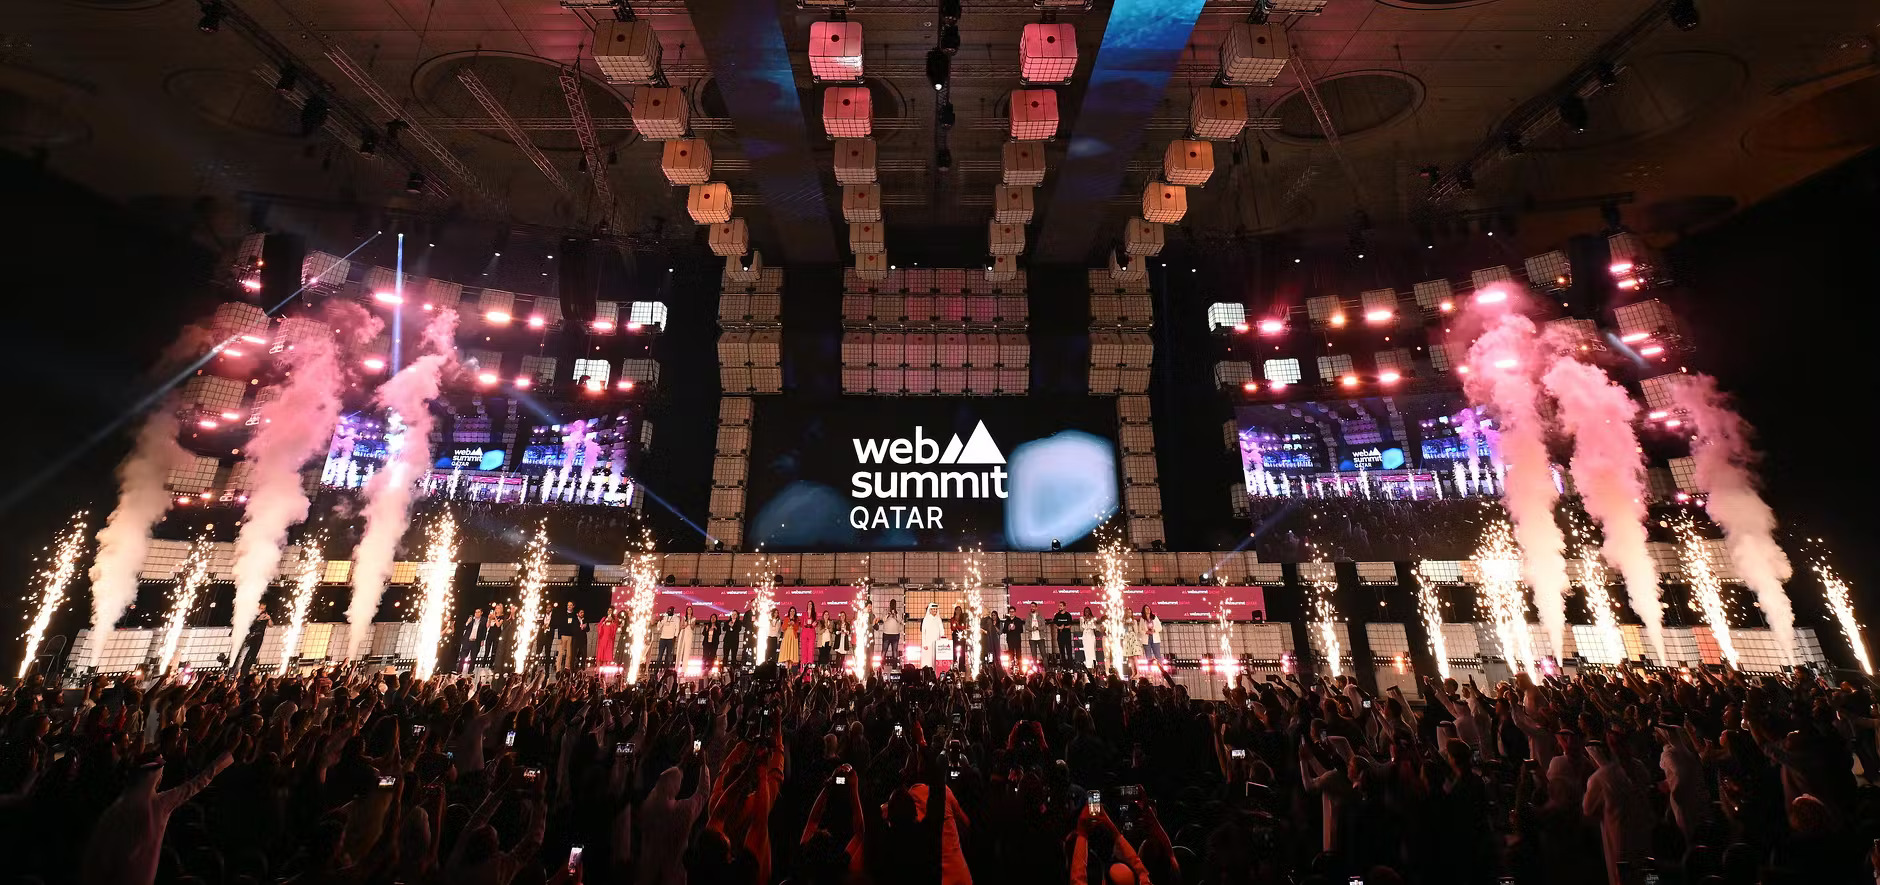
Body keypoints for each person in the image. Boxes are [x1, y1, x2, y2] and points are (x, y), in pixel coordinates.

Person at [232, 604, 269, 675]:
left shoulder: (265, 616)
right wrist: (258, 619)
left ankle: (245, 672)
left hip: (258, 639)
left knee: (252, 656)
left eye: (263, 609)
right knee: (242, 656)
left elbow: (271, 625)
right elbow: (248, 624)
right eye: (261, 608)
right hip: (249, 638)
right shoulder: (253, 614)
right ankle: (235, 672)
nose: (262, 610)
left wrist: (269, 618)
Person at [553, 601, 581, 671]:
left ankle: (567, 667)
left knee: (569, 653)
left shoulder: (574, 615)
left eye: (570, 605)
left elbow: (576, 625)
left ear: (573, 606)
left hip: (570, 636)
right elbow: (560, 625)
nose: (569, 606)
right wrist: (559, 636)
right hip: (563, 635)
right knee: (560, 653)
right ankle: (558, 668)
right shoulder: (563, 614)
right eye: (568, 605)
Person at [460, 607, 489, 673]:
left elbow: (484, 631)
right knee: (463, 656)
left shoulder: (484, 620)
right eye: (476, 612)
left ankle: (470, 671)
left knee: (473, 657)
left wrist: (482, 640)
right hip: (468, 640)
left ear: (481, 613)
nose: (476, 614)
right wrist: (468, 622)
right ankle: (459, 670)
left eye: (478, 612)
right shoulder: (471, 619)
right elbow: (465, 627)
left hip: (476, 641)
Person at [877, 600, 903, 665]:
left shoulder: (898, 612)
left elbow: (900, 620)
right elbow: (883, 619)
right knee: (884, 650)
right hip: (886, 634)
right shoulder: (886, 611)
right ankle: (881, 665)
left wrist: (895, 615)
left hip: (895, 634)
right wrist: (888, 615)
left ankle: (894, 666)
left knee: (894, 650)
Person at [920, 603, 944, 669]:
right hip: (928, 643)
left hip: (937, 643)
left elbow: (942, 631)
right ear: (930, 610)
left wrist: (942, 640)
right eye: (933, 609)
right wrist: (924, 643)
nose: (935, 611)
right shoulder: (926, 620)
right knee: (928, 660)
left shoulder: (939, 619)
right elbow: (923, 633)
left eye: (936, 609)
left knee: (935, 659)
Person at [1052, 601, 1074, 666]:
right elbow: (1055, 624)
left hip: (1067, 635)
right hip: (1060, 636)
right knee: (1062, 652)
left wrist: (1063, 627)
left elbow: (1070, 625)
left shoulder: (1068, 615)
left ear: (1064, 607)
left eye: (1061, 606)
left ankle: (1070, 665)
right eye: (1059, 606)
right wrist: (1059, 628)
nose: (1059, 607)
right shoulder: (1057, 615)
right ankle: (1064, 665)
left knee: (1069, 651)